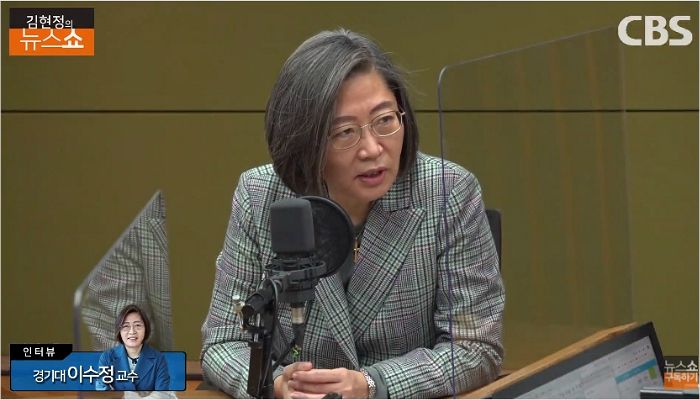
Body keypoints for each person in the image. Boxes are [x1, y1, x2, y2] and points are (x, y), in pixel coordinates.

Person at [201, 28, 505, 399]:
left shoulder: (447, 192)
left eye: (385, 120)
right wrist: (276, 384)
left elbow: (475, 348)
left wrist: (372, 384)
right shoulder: (260, 195)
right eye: (345, 132)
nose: (373, 149)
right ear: (306, 140)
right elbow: (223, 342)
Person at [96, 304, 170, 391]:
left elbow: (162, 394)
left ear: (145, 328)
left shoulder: (159, 359)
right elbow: (102, 390)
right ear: (119, 331)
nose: (132, 332)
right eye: (126, 326)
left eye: (138, 325)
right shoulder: (107, 357)